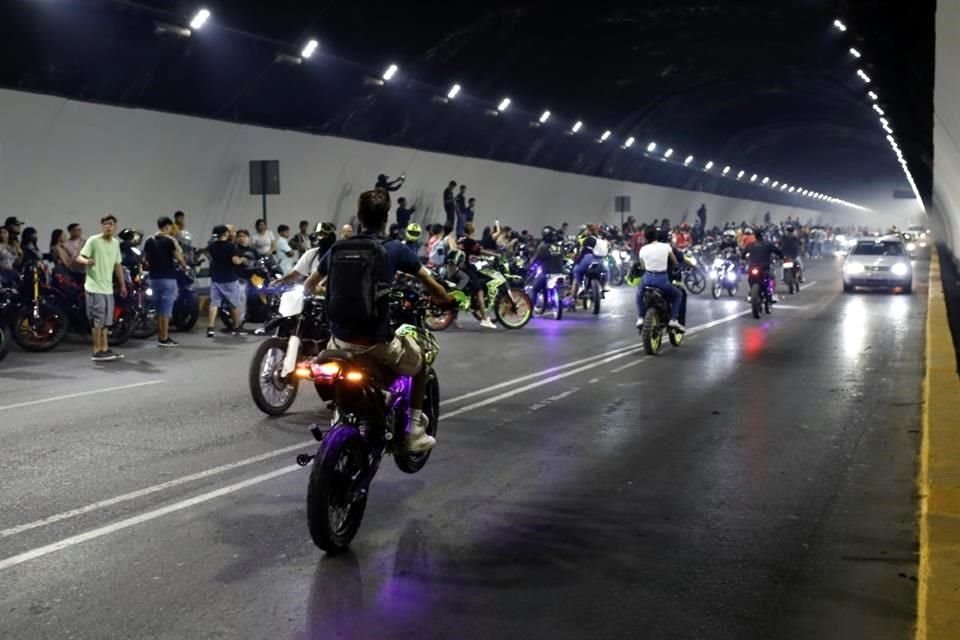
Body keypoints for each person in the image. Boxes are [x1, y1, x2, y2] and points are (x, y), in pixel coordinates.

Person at [304, 189, 453, 453]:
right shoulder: (395, 249)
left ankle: (341, 418)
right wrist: (445, 299)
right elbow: (430, 282)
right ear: (386, 217)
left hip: (338, 339)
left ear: (359, 216)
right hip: (374, 342)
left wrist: (324, 292)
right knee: (420, 365)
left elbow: (310, 284)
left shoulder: (339, 247)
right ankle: (414, 433)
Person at [75, 214, 128, 362]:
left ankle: (105, 348)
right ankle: (96, 350)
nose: (108, 226)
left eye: (111, 224)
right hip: (94, 287)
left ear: (115, 226)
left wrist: (122, 285)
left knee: (107, 321)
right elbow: (78, 257)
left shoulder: (115, 243)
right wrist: (87, 261)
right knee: (97, 320)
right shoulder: (93, 240)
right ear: (102, 226)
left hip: (108, 288)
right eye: (105, 224)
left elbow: (118, 265)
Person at [143, 216, 187, 347]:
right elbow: (179, 257)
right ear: (167, 226)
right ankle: (164, 338)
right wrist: (184, 265)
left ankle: (160, 335)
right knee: (166, 310)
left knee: (158, 308)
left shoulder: (148, 240)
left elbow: (145, 259)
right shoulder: (171, 240)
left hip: (154, 279)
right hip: (168, 278)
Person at [634, 226, 684, 331]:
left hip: (647, 279)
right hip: (662, 280)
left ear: (646, 238)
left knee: (639, 293)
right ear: (656, 236)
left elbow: (643, 267)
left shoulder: (643, 249)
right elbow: (675, 262)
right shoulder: (666, 247)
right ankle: (674, 319)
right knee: (678, 294)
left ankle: (640, 317)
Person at [206, 225, 245, 337]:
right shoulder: (231, 246)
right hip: (230, 279)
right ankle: (236, 327)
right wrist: (242, 259)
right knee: (234, 304)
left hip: (216, 279)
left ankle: (210, 328)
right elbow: (235, 261)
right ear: (225, 233)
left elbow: (209, 256)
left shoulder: (211, 246)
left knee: (214, 304)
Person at [271, 222, 336, 287]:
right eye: (319, 235)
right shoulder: (311, 254)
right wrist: (280, 281)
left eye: (325, 234)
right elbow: (295, 273)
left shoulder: (338, 255)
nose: (321, 238)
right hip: (313, 293)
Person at [529, 226, 566, 313]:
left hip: (547, 273)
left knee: (534, 289)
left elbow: (535, 260)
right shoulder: (559, 247)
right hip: (560, 273)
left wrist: (529, 265)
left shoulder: (543, 247)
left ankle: (529, 311)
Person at [742, 230, 784, 303]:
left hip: (752, 266)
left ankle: (751, 293)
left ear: (755, 236)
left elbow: (743, 254)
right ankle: (772, 294)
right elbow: (777, 251)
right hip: (764, 267)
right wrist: (781, 257)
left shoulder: (750, 245)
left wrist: (743, 259)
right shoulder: (768, 244)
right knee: (772, 277)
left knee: (750, 278)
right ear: (762, 236)